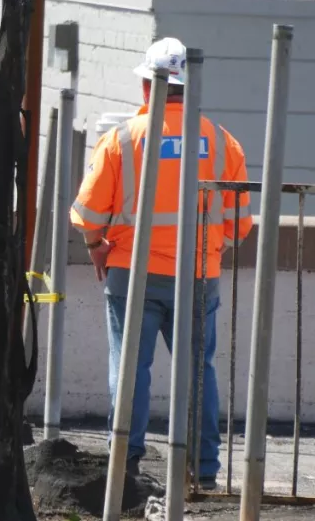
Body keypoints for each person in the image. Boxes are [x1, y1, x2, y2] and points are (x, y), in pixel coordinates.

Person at [69, 37, 253, 488]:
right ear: (190, 87)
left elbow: (88, 215)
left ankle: (125, 465)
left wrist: (97, 248)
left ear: (148, 87)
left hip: (132, 273)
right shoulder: (223, 143)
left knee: (130, 368)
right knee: (198, 372)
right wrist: (206, 251)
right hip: (198, 277)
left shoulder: (121, 140)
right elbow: (238, 228)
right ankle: (203, 472)